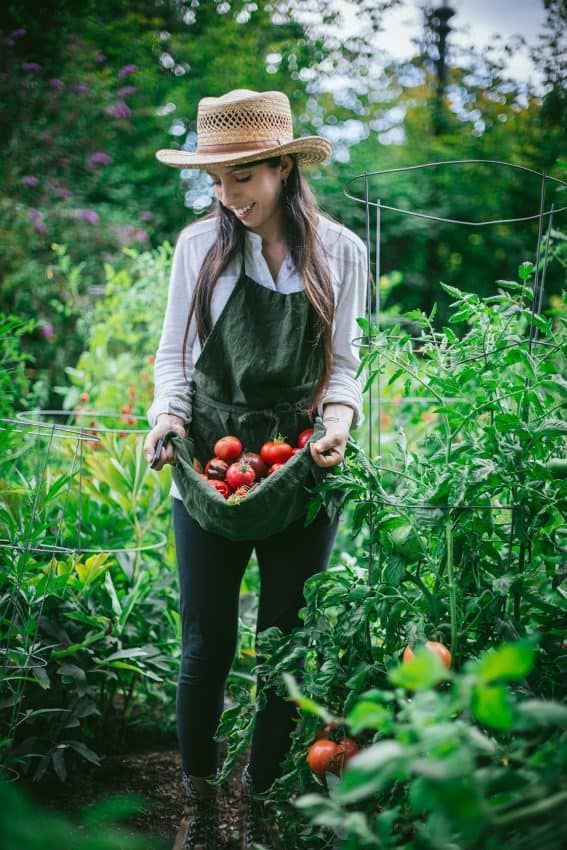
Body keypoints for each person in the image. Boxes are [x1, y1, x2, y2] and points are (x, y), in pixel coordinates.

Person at [143, 89, 367, 850]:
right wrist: (167, 418)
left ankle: (262, 791)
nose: (225, 195)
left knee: (286, 637)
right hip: (212, 459)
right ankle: (198, 796)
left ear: (281, 167)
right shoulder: (196, 247)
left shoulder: (338, 251)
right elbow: (174, 357)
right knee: (207, 641)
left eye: (240, 177)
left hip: (301, 460)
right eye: (214, 179)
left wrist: (336, 423)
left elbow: (342, 368)